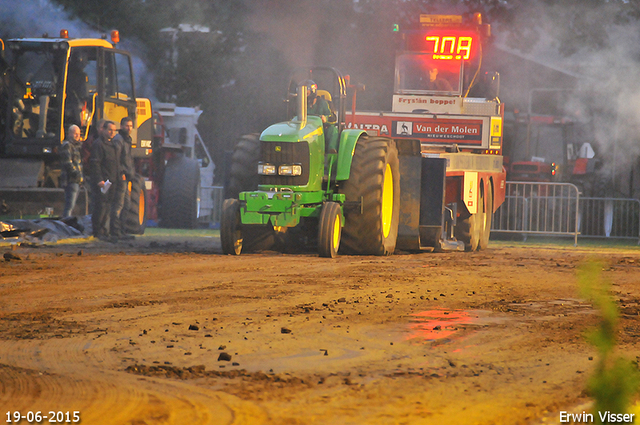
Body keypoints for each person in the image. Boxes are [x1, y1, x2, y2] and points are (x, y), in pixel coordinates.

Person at [90, 120, 124, 242]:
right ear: (103, 130)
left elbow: (116, 163)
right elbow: (95, 163)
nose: (112, 132)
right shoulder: (98, 144)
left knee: (108, 206)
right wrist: (99, 180)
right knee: (101, 206)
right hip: (104, 181)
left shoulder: (113, 145)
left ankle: (104, 231)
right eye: (110, 130)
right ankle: (97, 231)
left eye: (114, 130)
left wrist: (119, 177)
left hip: (113, 180)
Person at [112, 117, 136, 240]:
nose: (129, 128)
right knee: (119, 205)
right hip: (121, 177)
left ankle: (121, 230)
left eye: (130, 126)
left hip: (127, 176)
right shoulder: (119, 140)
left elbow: (128, 159)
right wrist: (121, 172)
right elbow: (117, 158)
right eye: (126, 126)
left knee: (126, 204)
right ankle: (115, 232)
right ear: (121, 126)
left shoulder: (128, 140)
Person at [304, 80, 337, 151]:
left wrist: (326, 118)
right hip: (304, 129)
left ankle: (331, 151)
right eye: (302, 93)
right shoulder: (299, 105)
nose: (304, 95)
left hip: (321, 129)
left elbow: (333, 118)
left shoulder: (322, 103)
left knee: (333, 130)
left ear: (312, 92)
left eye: (306, 93)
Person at [60, 124, 83, 218]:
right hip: (70, 180)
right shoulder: (67, 146)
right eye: (75, 134)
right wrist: (76, 174)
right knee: (69, 206)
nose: (77, 136)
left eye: (78, 134)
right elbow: (67, 163)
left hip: (76, 181)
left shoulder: (77, 146)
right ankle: (65, 224)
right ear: (69, 134)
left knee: (71, 206)